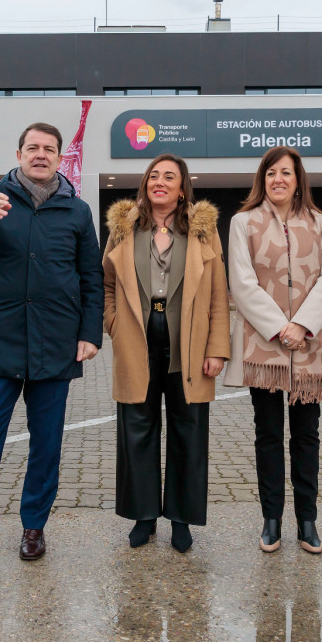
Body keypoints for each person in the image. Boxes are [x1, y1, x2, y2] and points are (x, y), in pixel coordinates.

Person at [0, 122, 103, 571]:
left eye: (48, 149)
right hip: (0, 340)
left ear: (58, 157)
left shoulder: (77, 209)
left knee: (46, 444)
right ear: (18, 153)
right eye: (32, 147)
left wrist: (90, 333)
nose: (40, 154)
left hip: (56, 342)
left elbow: (91, 276)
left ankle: (34, 527)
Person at [102, 154, 230, 552]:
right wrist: (114, 324)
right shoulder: (123, 228)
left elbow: (217, 294)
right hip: (137, 337)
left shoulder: (202, 229)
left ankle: (181, 519)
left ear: (181, 186)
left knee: (188, 430)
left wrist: (217, 349)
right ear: (145, 183)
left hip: (188, 340)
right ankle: (143, 516)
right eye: (153, 175)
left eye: (169, 177)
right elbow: (107, 283)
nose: (160, 182)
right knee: (137, 429)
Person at [224, 146, 322, 554]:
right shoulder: (243, 222)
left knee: (307, 435)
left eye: (286, 173)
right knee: (268, 434)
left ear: (298, 179)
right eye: (271, 172)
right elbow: (241, 282)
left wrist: (302, 325)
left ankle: (307, 519)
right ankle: (271, 518)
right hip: (265, 347)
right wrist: (279, 327)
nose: (278, 179)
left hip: (311, 345)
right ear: (263, 178)